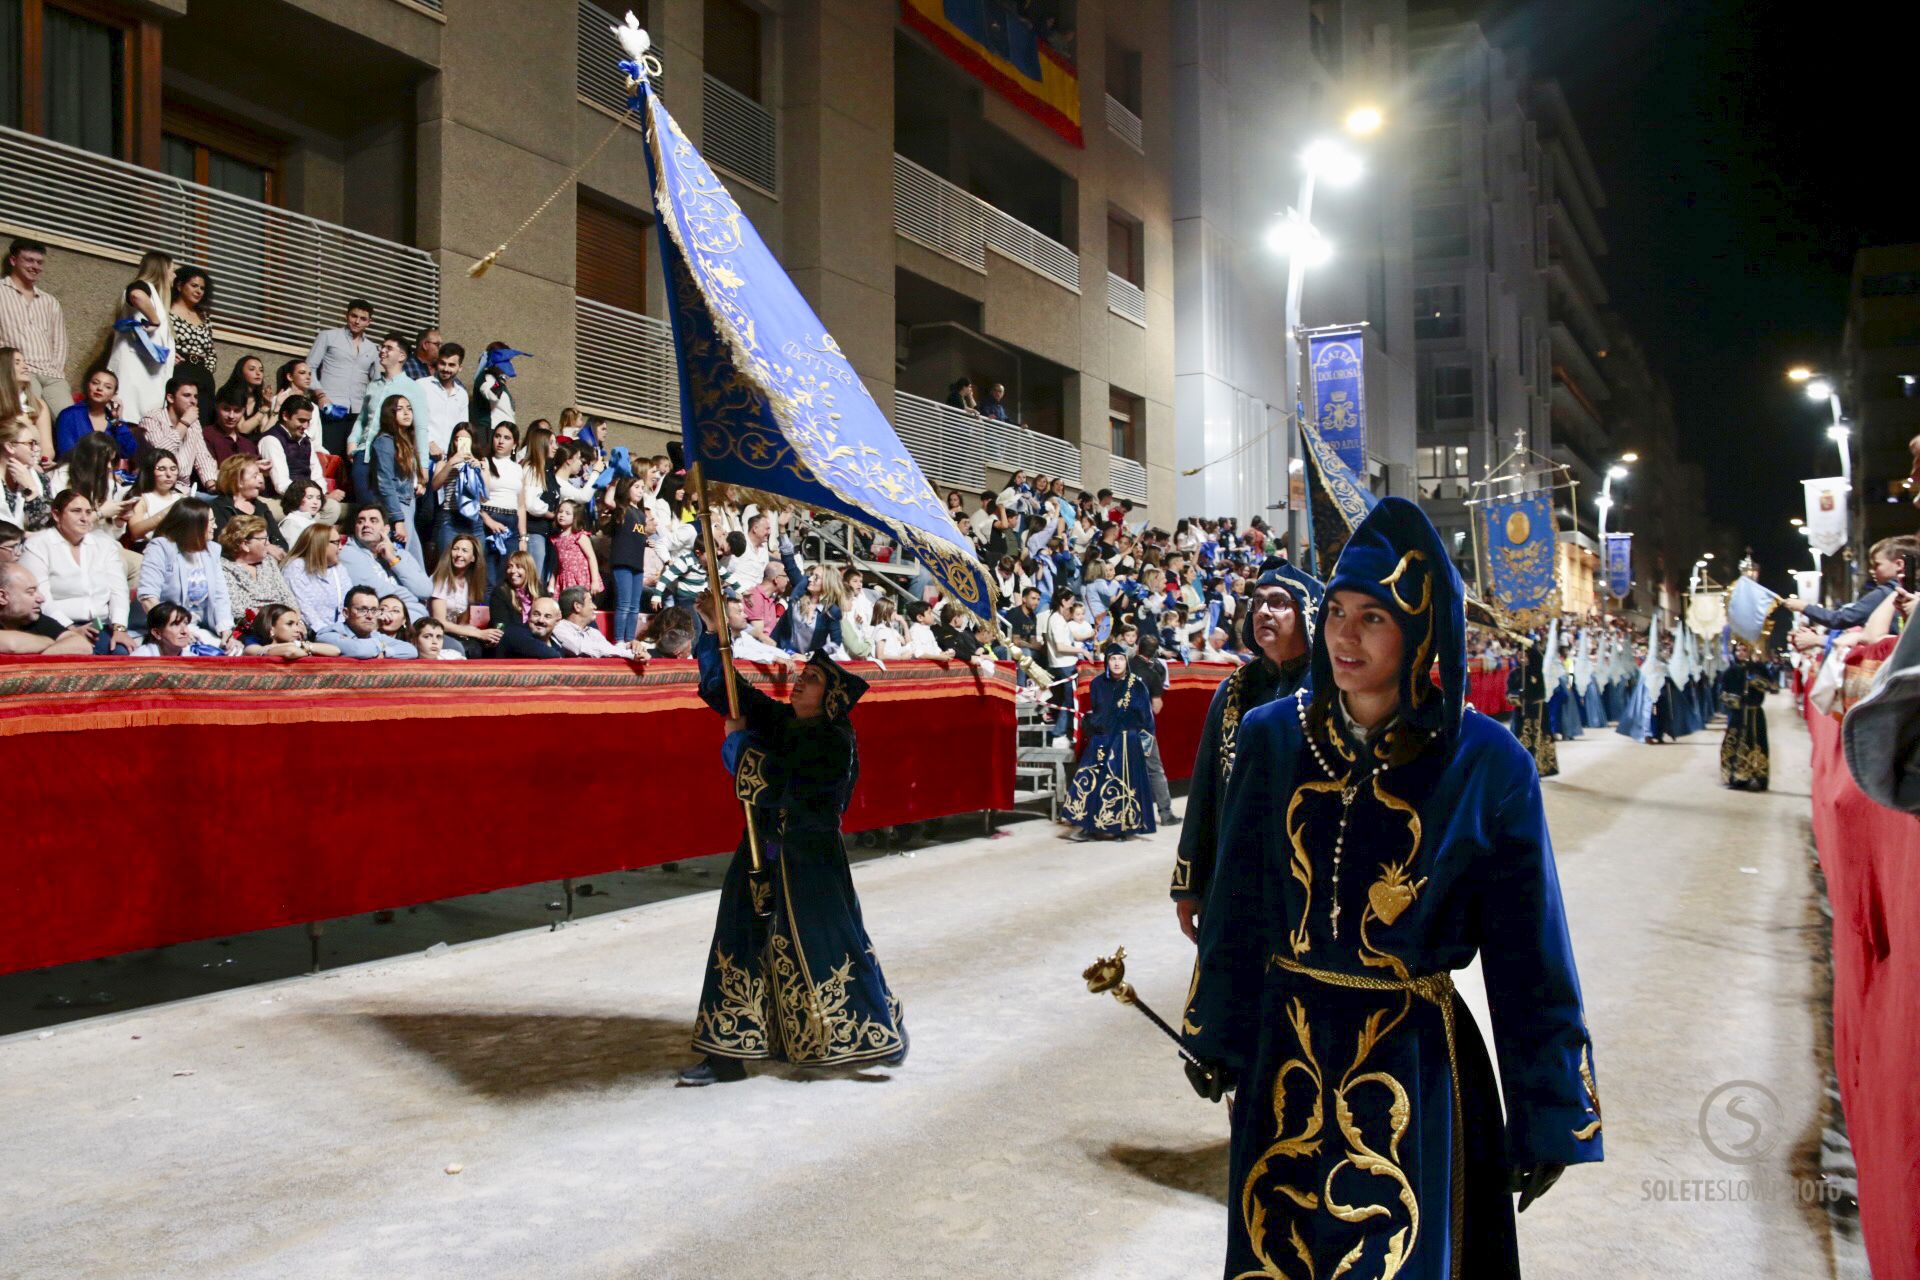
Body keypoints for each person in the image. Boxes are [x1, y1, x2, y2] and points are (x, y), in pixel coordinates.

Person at [1181, 497, 1602, 1280]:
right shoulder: (1276, 736)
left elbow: (1529, 951)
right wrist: (1216, 1030)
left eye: (1373, 617)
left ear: (1421, 629)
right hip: (1288, 1058)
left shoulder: (1488, 762)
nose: (1343, 635)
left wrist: (1551, 1116)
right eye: (1338, 611)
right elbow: (1239, 904)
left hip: (1412, 1064)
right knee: (1282, 1249)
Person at [678, 593, 907, 1086]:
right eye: (804, 675)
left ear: (831, 699)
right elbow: (726, 690)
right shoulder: (787, 721)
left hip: (808, 862)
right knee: (739, 941)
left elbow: (783, 787)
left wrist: (738, 743)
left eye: (813, 680)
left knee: (830, 945)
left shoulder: (834, 741)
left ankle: (874, 1032)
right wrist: (717, 633)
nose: (800, 681)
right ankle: (726, 1054)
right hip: (760, 852)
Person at [1171, 561, 1326, 932]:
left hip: (1308, 883)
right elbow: (1206, 788)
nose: (1264, 612)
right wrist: (1189, 885)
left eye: (1278, 602)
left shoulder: (1332, 690)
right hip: (1233, 876)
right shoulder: (1234, 689)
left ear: (1308, 614)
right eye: (1257, 603)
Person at [1059, 643, 1158, 840]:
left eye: (1120, 658)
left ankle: (1122, 828)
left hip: (1126, 741)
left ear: (1126, 662)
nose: (1116, 663)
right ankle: (1087, 827)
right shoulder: (1097, 684)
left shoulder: (1137, 686)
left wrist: (1142, 747)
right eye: (1113, 659)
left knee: (1120, 786)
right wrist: (1093, 723)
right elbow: (1099, 711)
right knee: (1091, 781)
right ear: (1107, 661)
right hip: (1102, 739)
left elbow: (1146, 719)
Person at [21, 490, 131, 636]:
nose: (85, 518)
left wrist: (120, 629)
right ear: (56, 515)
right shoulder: (37, 545)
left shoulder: (104, 545)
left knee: (122, 651)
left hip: (100, 626)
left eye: (88, 512)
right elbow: (41, 597)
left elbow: (119, 590)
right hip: (56, 626)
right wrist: (70, 629)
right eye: (76, 511)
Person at [138, 498, 239, 650]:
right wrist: (178, 628)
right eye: (211, 522)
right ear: (194, 525)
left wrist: (226, 631)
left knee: (235, 652)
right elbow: (148, 598)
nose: (215, 526)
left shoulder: (212, 550)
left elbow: (220, 596)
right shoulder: (161, 548)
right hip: (166, 631)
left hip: (199, 629)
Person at [348, 333, 428, 505]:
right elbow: (362, 419)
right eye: (382, 347)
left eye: (388, 348)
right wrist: (352, 442)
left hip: (393, 457)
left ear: (401, 356)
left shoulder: (413, 388)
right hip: (365, 454)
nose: (382, 351)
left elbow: (420, 429)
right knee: (365, 508)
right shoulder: (373, 385)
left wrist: (423, 468)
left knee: (388, 510)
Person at [0, 239, 70, 424]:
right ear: (14, 261)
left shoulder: (49, 301)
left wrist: (56, 369)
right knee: (28, 420)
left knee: (71, 420)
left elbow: (60, 341)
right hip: (21, 371)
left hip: (51, 374)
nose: (35, 266)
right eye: (29, 260)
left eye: (39, 262)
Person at [106, 251, 176, 423]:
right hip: (134, 371)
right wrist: (155, 320)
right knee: (128, 417)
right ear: (162, 270)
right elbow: (136, 295)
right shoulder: (142, 286)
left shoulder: (156, 296)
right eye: (172, 270)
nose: (174, 275)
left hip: (147, 374)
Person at [1782, 536, 1909, 630]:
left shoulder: (1884, 593)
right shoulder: (1910, 591)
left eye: (1877, 565)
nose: (1872, 571)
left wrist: (1804, 607)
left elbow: (1839, 619)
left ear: (1899, 565)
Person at [305, 299, 377, 458]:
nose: (357, 321)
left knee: (351, 459)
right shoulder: (328, 336)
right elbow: (309, 368)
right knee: (329, 456)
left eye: (363, 319)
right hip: (331, 407)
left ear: (369, 322)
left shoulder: (372, 348)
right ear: (346, 315)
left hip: (358, 412)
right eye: (354, 316)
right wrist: (320, 395)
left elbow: (377, 381)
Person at [258, 394, 343, 526]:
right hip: (279, 500)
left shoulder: (306, 441)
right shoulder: (271, 440)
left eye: (308, 421)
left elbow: (316, 475)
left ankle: (306, 530)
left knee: (333, 508)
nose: (306, 425)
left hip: (305, 498)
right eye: (301, 420)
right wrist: (308, 499)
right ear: (286, 416)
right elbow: (281, 484)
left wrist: (319, 496)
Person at [338, 504, 433, 622]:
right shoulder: (348, 554)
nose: (366, 525)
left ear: (386, 529)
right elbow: (374, 590)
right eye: (360, 521)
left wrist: (393, 559)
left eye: (373, 521)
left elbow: (424, 590)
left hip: (415, 618)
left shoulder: (402, 555)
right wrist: (412, 600)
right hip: (379, 619)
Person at [368, 394, 426, 569]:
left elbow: (406, 474)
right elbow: (385, 481)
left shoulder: (405, 440)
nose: (407, 413)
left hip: (407, 503)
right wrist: (397, 519)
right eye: (399, 409)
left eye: (409, 408)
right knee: (402, 558)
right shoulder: (385, 441)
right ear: (390, 414)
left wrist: (419, 482)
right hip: (397, 506)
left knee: (414, 558)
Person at [139, 376, 219, 492]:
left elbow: (202, 456)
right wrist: (184, 423)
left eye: (195, 397)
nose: (193, 401)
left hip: (183, 489)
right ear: (170, 398)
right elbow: (160, 456)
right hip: (155, 486)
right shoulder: (152, 419)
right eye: (187, 396)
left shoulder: (194, 423)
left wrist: (212, 486)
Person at [0, 558, 97, 654]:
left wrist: (40, 659)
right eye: (30, 592)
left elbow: (82, 645)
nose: (41, 599)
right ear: (2, 597)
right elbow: (11, 645)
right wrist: (51, 642)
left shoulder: (34, 619)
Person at [430, 533, 501, 657]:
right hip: (434, 632)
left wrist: (481, 633)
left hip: (451, 632)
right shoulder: (441, 579)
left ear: (473, 558)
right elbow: (439, 622)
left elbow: (460, 623)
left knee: (485, 646)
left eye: (464, 551)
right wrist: (478, 634)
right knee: (465, 648)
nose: (458, 554)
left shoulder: (470, 582)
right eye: (455, 549)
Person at [1719, 641, 1778, 791]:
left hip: (1755, 713)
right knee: (1735, 743)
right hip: (1737, 714)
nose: (1741, 653)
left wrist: (1755, 681)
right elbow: (1722, 694)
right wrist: (1734, 701)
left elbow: (1772, 686)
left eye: (1744, 650)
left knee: (1757, 743)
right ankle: (1737, 777)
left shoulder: (1758, 668)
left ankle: (1758, 776)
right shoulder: (1730, 671)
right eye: (1738, 650)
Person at [605, 474, 656, 646]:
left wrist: (645, 541)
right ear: (626, 489)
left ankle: (629, 640)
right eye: (636, 487)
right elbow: (608, 502)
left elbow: (636, 534)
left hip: (636, 563)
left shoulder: (640, 514)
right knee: (624, 603)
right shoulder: (622, 508)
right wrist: (613, 484)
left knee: (635, 606)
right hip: (622, 562)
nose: (640, 491)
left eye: (642, 488)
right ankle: (619, 639)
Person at [217, 514, 297, 620]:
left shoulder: (268, 562)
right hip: (253, 629)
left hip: (284, 624)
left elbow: (288, 599)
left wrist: (297, 622)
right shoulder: (225, 568)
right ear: (245, 544)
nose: (268, 543)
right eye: (264, 539)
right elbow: (239, 611)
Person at [479, 421, 528, 589]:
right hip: (488, 519)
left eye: (506, 438)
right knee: (487, 577)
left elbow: (521, 505)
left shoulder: (518, 469)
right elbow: (474, 500)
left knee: (508, 575)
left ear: (514, 444)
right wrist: (487, 520)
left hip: (512, 524)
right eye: (498, 436)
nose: (500, 441)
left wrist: (523, 537)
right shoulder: (483, 462)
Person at [429, 421, 487, 564]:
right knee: (446, 563)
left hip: (473, 519)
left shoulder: (481, 462)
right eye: (458, 439)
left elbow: (484, 497)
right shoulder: (444, 462)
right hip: (450, 516)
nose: (460, 443)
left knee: (476, 564)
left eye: (466, 439)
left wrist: (479, 470)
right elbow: (435, 485)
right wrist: (450, 463)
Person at [283, 523, 353, 636]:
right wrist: (328, 634)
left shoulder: (339, 568)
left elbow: (348, 603)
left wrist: (343, 632)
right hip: (314, 634)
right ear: (321, 544)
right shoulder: (296, 568)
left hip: (341, 633)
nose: (340, 547)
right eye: (336, 542)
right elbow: (304, 609)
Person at [53, 369, 139, 459]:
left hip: (106, 471)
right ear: (88, 385)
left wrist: (117, 421)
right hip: (74, 470)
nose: (100, 388)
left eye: (108, 387)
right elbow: (65, 453)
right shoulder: (69, 415)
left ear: (114, 394)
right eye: (95, 383)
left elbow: (129, 452)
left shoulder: (114, 422)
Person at [209, 456, 285, 555]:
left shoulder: (261, 507)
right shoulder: (218, 507)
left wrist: (276, 549)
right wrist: (264, 548)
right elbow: (223, 545)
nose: (261, 481)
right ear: (238, 480)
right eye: (255, 476)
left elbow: (281, 542)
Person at [319, 584, 419, 659]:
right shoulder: (329, 634)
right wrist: (381, 646)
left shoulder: (374, 635)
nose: (370, 616)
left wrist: (384, 652)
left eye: (374, 610)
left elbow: (411, 650)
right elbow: (359, 650)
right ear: (346, 613)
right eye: (362, 610)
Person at [167, 267, 218, 410]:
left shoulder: (204, 316)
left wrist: (207, 370)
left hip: (203, 375)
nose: (199, 291)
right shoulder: (167, 311)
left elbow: (211, 352)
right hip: (177, 372)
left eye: (202, 288)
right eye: (194, 286)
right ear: (179, 285)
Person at [419, 342, 469, 462]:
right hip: (424, 456)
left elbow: (463, 429)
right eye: (442, 363)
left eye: (451, 365)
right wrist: (429, 443)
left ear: (460, 368)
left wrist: (464, 457)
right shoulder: (422, 385)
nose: (446, 369)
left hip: (450, 461)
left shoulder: (462, 394)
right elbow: (413, 421)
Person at [124, 448, 185, 546]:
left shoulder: (180, 497)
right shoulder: (141, 498)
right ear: (150, 471)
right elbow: (135, 532)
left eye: (173, 469)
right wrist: (168, 511)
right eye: (161, 469)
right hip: (146, 548)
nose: (169, 474)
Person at [554, 586, 634, 657]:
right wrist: (630, 654)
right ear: (577, 606)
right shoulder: (560, 629)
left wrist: (631, 647)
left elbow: (609, 649)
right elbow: (584, 648)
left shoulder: (593, 632)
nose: (595, 607)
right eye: (590, 601)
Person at [242, 602, 342, 660]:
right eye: (290, 624)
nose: (298, 629)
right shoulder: (252, 644)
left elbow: (335, 650)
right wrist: (305, 647)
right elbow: (291, 651)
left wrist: (303, 645)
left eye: (297, 624)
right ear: (271, 628)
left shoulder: (299, 644)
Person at [2, 418, 53, 531]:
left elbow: (47, 527)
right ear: (10, 447)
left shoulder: (41, 479)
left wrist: (31, 490)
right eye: (30, 443)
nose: (36, 449)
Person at [131, 601, 228, 657]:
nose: (184, 631)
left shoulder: (192, 659)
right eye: (175, 624)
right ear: (157, 633)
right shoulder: (139, 658)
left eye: (185, 624)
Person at [549, 499, 601, 596]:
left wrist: (595, 581)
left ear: (575, 517)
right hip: (564, 578)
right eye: (560, 512)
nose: (562, 515)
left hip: (580, 578)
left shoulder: (580, 536)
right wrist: (552, 582)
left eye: (567, 513)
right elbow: (557, 563)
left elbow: (591, 557)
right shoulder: (557, 539)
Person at [202, 385, 261, 469]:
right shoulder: (206, 436)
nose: (231, 416)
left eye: (237, 411)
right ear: (216, 407)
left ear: (243, 411)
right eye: (226, 409)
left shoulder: (248, 444)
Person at [215, 355, 271, 437]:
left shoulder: (259, 397)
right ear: (241, 372)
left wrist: (277, 408)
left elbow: (265, 431)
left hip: (250, 444)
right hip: (226, 440)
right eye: (252, 369)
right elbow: (242, 429)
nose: (258, 373)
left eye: (261, 370)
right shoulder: (230, 392)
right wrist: (265, 407)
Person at [498, 593, 565, 659]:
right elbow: (542, 651)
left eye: (547, 616)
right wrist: (558, 656)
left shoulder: (556, 643)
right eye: (536, 614)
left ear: (557, 621)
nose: (540, 620)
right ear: (529, 616)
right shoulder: (515, 634)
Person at [488, 549, 541, 630]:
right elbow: (500, 626)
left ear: (529, 570)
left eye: (518, 567)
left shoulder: (540, 590)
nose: (512, 571)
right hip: (511, 639)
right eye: (510, 566)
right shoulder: (500, 592)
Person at [277, 479, 327, 550]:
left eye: (318, 498)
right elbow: (291, 552)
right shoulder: (291, 522)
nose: (315, 502)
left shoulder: (311, 519)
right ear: (296, 498)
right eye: (310, 497)